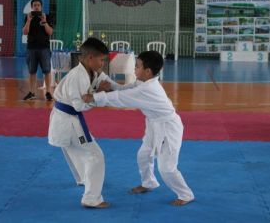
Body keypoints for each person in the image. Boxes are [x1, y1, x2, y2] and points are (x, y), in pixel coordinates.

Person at [82, 51, 195, 206]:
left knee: (167, 168)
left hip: (168, 128)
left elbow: (121, 98)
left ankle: (186, 194)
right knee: (143, 155)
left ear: (147, 71)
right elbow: (125, 90)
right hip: (154, 123)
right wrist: (108, 82)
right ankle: (149, 183)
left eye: (137, 66)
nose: (134, 69)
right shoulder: (144, 83)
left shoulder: (148, 89)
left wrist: (94, 98)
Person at [48, 37, 110, 208]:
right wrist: (98, 96)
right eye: (101, 59)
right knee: (95, 156)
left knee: (76, 151)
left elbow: (109, 84)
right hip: (69, 121)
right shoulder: (78, 76)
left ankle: (85, 178)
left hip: (67, 120)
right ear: (90, 57)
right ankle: (91, 198)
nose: (103, 63)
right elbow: (79, 105)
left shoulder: (91, 72)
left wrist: (133, 89)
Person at [22, 0, 53, 101]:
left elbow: (50, 32)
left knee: (47, 71)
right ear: (31, 7)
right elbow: (25, 32)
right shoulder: (28, 17)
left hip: (44, 48)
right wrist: (29, 21)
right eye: (34, 5)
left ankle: (48, 92)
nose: (36, 6)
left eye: (38, 5)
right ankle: (32, 93)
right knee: (32, 72)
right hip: (31, 48)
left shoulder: (46, 16)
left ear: (41, 6)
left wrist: (44, 22)